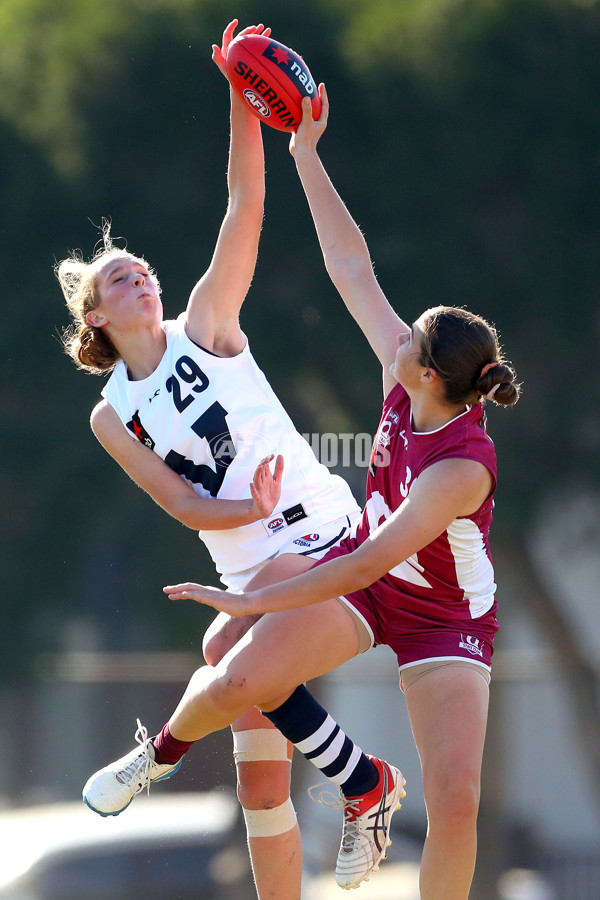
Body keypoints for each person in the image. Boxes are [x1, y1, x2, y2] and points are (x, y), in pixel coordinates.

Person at [80, 85, 520, 899]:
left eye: (409, 338)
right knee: (238, 690)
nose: (394, 334)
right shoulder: (406, 378)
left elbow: (366, 564)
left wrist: (241, 600)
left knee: (456, 802)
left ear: (428, 374)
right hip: (359, 574)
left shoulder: (460, 465)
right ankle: (355, 783)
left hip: (434, 609)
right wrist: (305, 154)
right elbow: (351, 266)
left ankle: (311, 777)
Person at [56, 23, 364, 900]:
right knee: (261, 781)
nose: (141, 278)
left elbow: (245, 209)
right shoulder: (112, 415)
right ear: (97, 319)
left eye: (142, 269)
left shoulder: (208, 327)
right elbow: (184, 507)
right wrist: (242, 504)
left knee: (227, 647)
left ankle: (165, 756)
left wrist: (242, 93)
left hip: (317, 537)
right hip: (247, 552)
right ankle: (341, 798)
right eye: (120, 280)